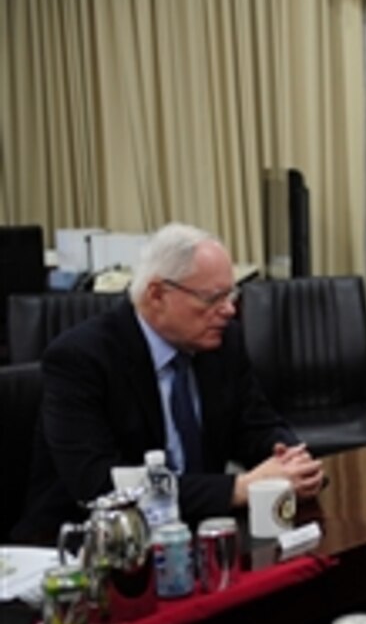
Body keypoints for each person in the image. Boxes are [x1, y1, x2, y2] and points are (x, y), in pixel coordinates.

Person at [14, 223, 324, 541]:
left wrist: (292, 461)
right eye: (212, 298)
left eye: (231, 295)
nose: (229, 310)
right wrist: (238, 488)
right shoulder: (80, 359)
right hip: (88, 546)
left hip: (195, 534)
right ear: (157, 294)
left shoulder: (222, 343)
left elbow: (256, 424)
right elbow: (99, 486)